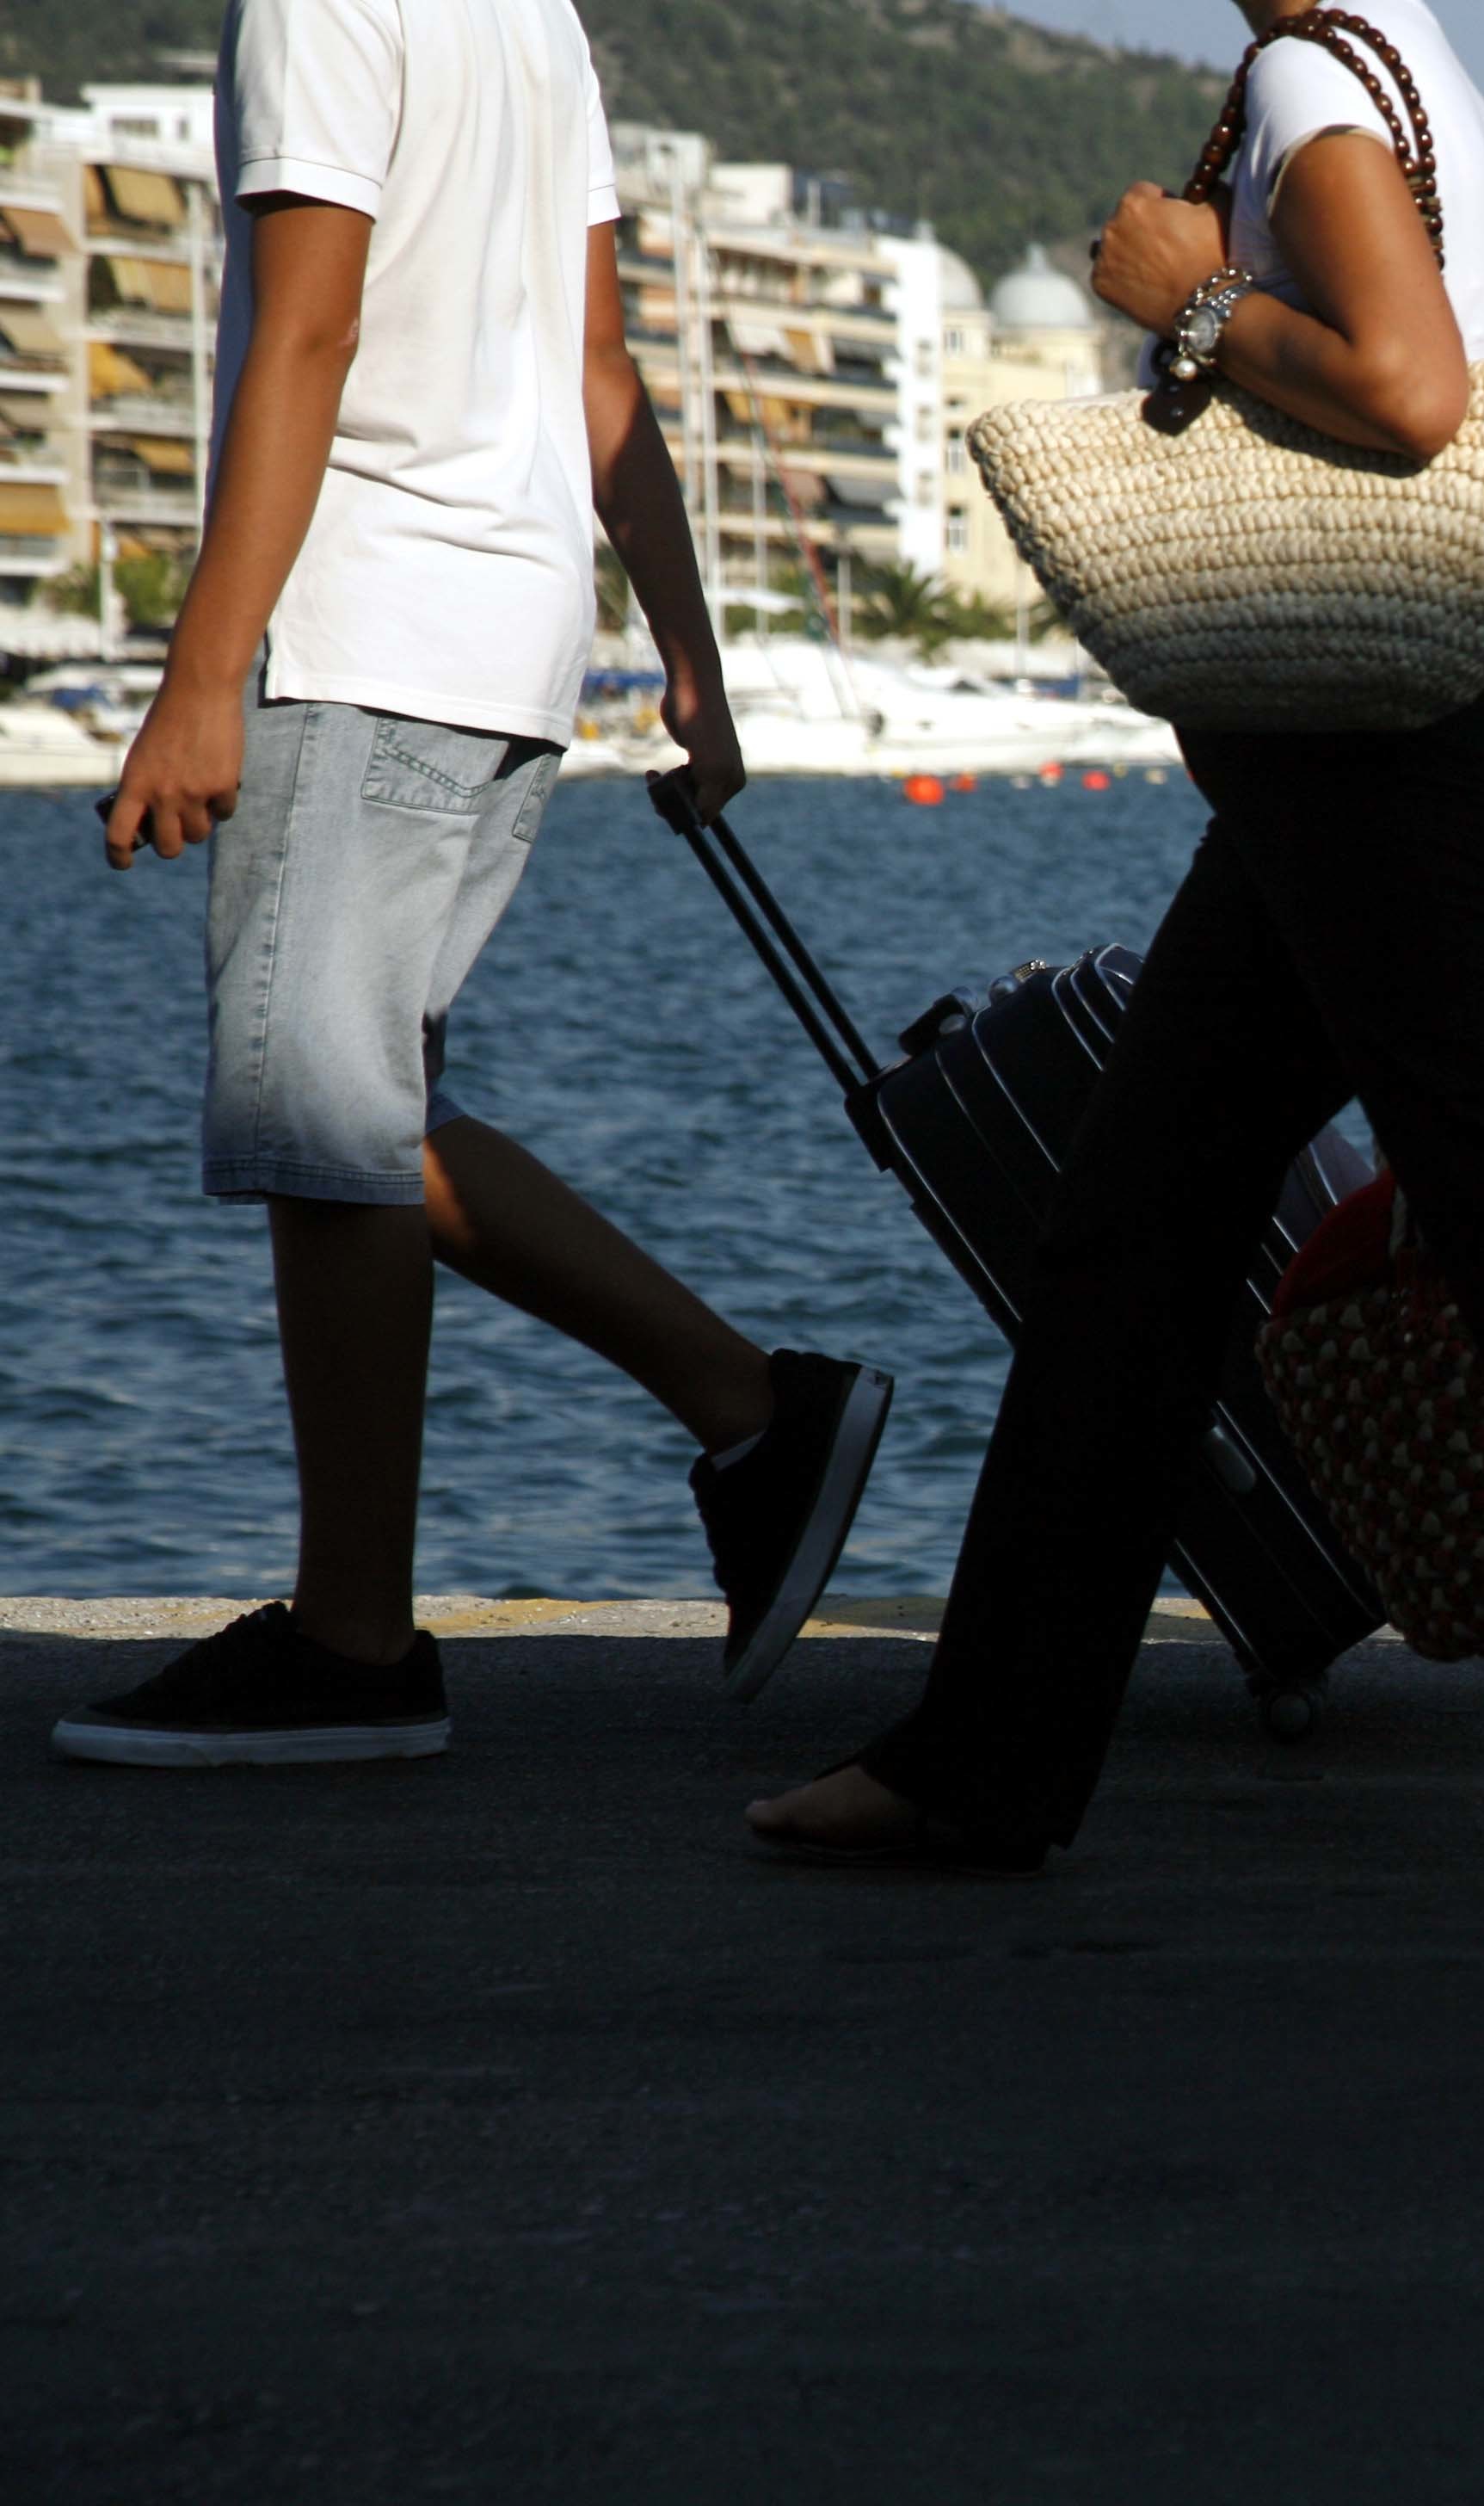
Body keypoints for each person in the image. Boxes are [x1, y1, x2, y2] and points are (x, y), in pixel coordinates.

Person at [746, 0, 1484, 1900]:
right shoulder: (1419, 79)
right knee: (1134, 1232)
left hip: (1382, 786)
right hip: (1369, 771)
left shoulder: (1318, 87)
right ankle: (983, 1760)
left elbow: (1410, 393)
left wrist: (1196, 293)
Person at [57, 0, 890, 1768]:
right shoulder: (532, 18)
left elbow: (309, 334)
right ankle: (757, 1413)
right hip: (509, 643)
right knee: (378, 1119)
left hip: (362, 635)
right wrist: (688, 644)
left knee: (323, 1126)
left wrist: (204, 678)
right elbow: (600, 363)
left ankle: (354, 1641)